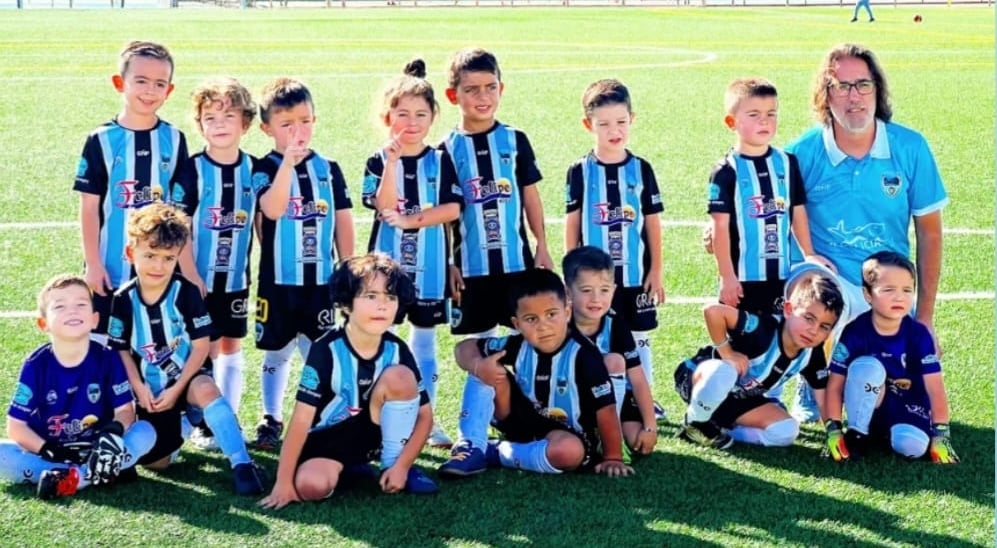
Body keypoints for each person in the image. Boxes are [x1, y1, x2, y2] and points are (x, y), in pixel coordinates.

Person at [785, 43, 948, 421]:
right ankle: (811, 375)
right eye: (841, 86)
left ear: (877, 89)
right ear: (825, 95)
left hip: (884, 285)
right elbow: (764, 211)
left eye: (862, 84)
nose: (853, 96)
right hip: (828, 281)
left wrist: (924, 318)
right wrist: (719, 232)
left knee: (889, 402)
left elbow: (930, 234)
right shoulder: (801, 153)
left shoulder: (910, 147)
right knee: (811, 285)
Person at [107, 204, 266, 495]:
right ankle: (186, 423)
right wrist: (139, 387)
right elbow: (120, 350)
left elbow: (202, 346)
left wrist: (179, 387)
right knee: (157, 463)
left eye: (168, 258)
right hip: (151, 389)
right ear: (131, 253)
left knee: (206, 389)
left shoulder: (186, 292)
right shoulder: (123, 299)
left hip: (187, 377)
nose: (158, 266)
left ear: (178, 257)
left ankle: (242, 463)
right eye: (150, 255)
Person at [259, 254, 438, 510]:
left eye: (390, 297)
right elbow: (300, 421)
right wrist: (283, 482)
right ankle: (348, 468)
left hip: (374, 436)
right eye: (371, 296)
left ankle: (391, 465)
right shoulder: (325, 350)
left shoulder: (397, 349)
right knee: (312, 486)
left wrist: (402, 466)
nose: (382, 306)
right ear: (346, 304)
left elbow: (425, 416)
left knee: (400, 377)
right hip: (328, 441)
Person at [438, 268, 633, 478]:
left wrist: (613, 457)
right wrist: (478, 366)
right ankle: (470, 446)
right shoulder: (518, 345)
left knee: (568, 452)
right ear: (517, 324)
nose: (543, 326)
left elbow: (606, 410)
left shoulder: (585, 356)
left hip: (567, 435)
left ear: (567, 312)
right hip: (520, 421)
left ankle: (496, 452)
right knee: (485, 367)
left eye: (551, 314)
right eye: (531, 319)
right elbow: (464, 348)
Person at [362, 60, 462, 449]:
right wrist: (391, 163)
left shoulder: (441, 159)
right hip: (385, 271)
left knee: (424, 344)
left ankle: (426, 420)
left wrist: (411, 221)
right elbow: (382, 205)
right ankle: (379, 421)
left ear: (433, 116)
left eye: (421, 114)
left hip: (431, 268)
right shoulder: (378, 160)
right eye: (402, 114)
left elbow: (452, 209)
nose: (412, 122)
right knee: (380, 341)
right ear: (387, 118)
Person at [250, 77, 355, 450]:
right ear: (267, 128)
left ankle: (320, 415)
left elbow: (342, 220)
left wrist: (348, 268)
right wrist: (287, 166)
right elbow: (272, 209)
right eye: (286, 124)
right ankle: (270, 417)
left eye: (305, 121)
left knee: (320, 350)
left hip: (320, 283)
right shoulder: (264, 168)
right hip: (278, 282)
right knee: (276, 351)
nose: (298, 131)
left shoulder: (329, 168)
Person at [564, 79, 667, 422]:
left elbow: (652, 224)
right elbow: (572, 223)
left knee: (639, 336)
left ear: (632, 119)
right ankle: (596, 395)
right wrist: (570, 274)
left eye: (621, 122)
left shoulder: (642, 169)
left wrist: (656, 270)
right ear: (588, 125)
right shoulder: (580, 171)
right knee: (593, 333)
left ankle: (644, 397)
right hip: (592, 281)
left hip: (635, 275)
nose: (614, 130)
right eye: (604, 124)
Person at [73, 40, 191, 338]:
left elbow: (181, 211)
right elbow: (89, 208)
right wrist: (93, 264)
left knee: (152, 342)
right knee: (103, 345)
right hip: (110, 267)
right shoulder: (101, 139)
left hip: (158, 268)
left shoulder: (174, 139)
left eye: (159, 84)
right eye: (141, 81)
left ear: (169, 90)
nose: (150, 90)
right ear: (119, 83)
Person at [1, 275, 156, 499]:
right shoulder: (36, 365)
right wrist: (47, 449)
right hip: (52, 451)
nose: (72, 311)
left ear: (94, 319)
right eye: (60, 306)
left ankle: (78, 477)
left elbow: (125, 411)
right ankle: (106, 470)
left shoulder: (107, 358)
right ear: (43, 324)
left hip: (98, 446)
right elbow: (16, 426)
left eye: (81, 304)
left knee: (146, 432)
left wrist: (111, 435)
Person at [171, 77, 259, 450]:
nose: (219, 124)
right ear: (200, 124)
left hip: (236, 279)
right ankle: (197, 421)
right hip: (196, 280)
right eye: (210, 117)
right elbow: (180, 226)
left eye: (228, 116)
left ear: (246, 122)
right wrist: (191, 275)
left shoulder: (255, 169)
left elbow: (262, 221)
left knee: (231, 345)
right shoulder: (191, 170)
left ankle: (227, 418)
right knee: (200, 347)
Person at [442, 47, 554, 339]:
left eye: (490, 87)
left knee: (524, 340)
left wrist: (542, 245)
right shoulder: (446, 149)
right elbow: (444, 217)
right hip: (470, 268)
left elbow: (530, 197)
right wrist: (448, 263)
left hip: (516, 264)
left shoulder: (515, 140)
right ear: (453, 95)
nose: (483, 97)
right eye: (472, 90)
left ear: (501, 89)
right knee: (480, 346)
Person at [673, 272, 844, 450]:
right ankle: (694, 423)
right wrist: (727, 353)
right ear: (788, 310)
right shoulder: (763, 329)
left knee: (787, 431)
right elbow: (713, 311)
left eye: (824, 326)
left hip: (738, 399)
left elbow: (822, 397)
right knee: (724, 372)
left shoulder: (812, 353)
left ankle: (718, 429)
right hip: (697, 377)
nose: (813, 330)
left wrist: (834, 433)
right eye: (808, 318)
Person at [707, 77, 830, 316]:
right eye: (754, 114)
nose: (764, 121)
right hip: (742, 278)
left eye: (771, 114)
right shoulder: (726, 171)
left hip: (781, 275)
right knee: (743, 333)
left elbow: (797, 210)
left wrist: (808, 253)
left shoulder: (787, 162)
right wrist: (726, 276)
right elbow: (719, 227)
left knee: (780, 332)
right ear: (732, 122)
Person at [823, 251, 957, 463]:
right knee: (867, 368)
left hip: (909, 405)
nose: (899, 297)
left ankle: (886, 433)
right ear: (868, 295)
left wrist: (941, 434)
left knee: (912, 447)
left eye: (907, 290)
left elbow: (935, 388)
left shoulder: (919, 335)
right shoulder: (854, 331)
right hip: (872, 401)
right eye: (888, 290)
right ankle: (858, 434)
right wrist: (833, 430)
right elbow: (835, 384)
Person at [561, 246, 658, 461]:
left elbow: (637, 378)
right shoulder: (558, 324)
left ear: (614, 290)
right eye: (586, 290)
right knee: (612, 361)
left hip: (614, 400)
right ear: (567, 292)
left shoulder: (616, 324)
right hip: (572, 398)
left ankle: (610, 433)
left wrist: (650, 427)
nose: (596, 298)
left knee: (638, 442)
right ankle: (600, 436)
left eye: (604, 290)